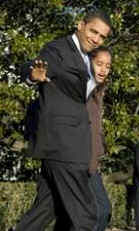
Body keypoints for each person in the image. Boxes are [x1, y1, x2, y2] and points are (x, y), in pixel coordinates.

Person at [15, 9, 112, 231]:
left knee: (44, 213)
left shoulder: (87, 58)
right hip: (64, 146)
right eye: (93, 31)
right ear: (80, 25)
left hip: (68, 147)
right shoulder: (59, 50)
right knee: (86, 218)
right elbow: (32, 65)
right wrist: (32, 75)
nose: (96, 39)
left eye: (102, 36)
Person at [87, 46, 113, 231]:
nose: (103, 69)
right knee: (101, 210)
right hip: (79, 164)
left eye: (108, 66)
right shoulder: (80, 89)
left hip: (91, 164)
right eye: (99, 64)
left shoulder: (98, 92)